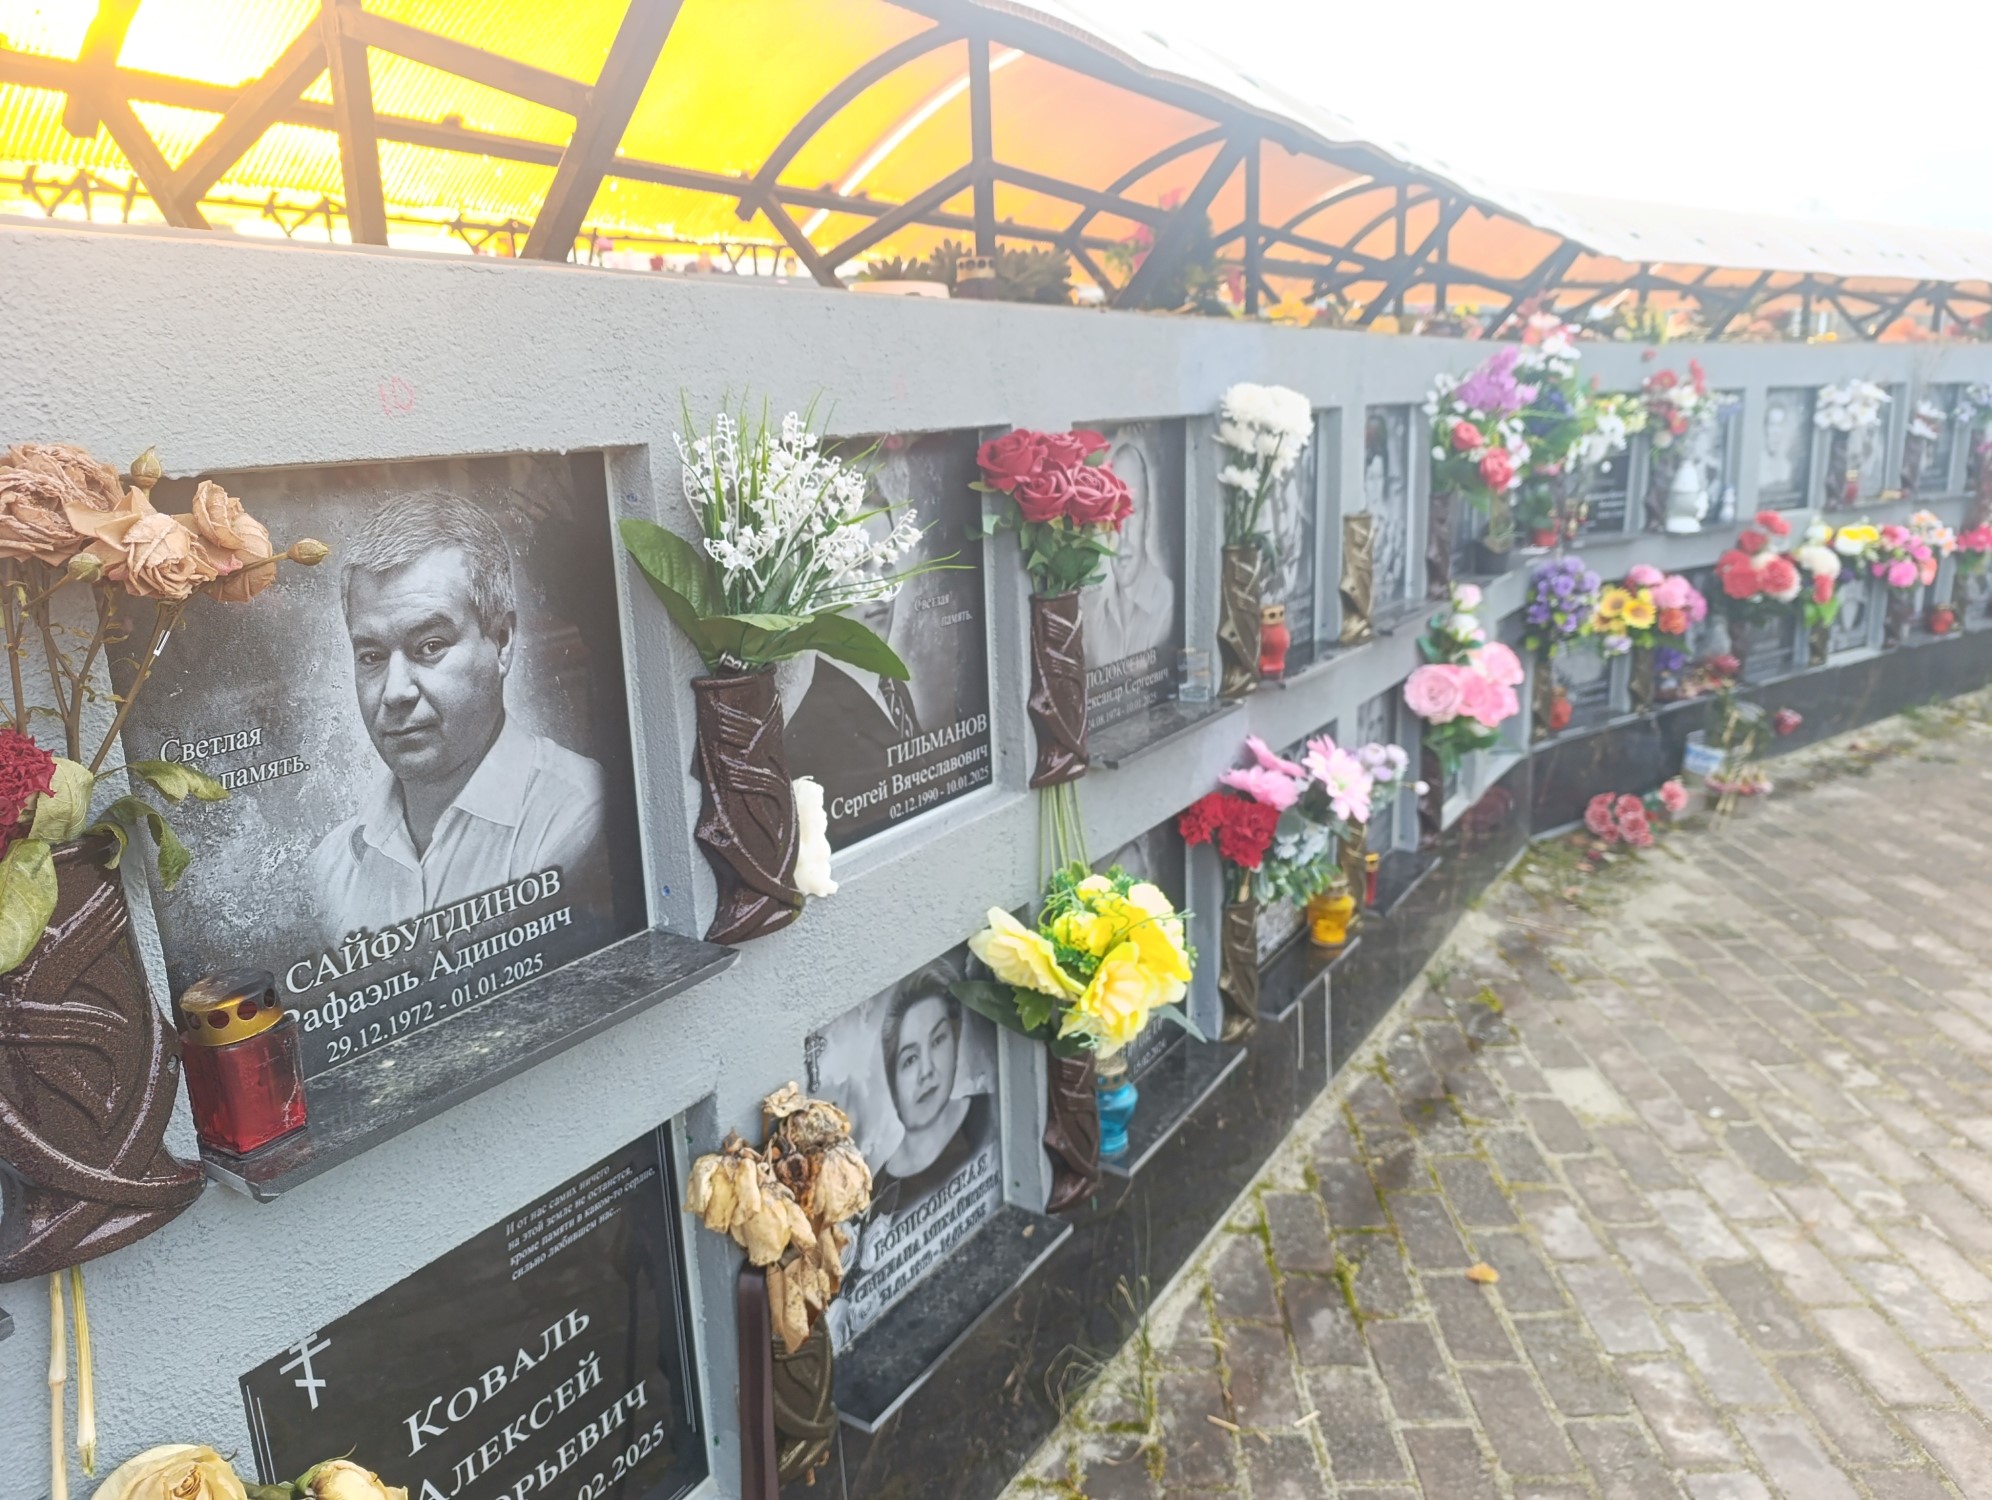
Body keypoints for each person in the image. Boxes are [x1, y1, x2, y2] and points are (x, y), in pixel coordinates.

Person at [309, 492, 607, 943]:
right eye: (371, 655)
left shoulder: (581, 816)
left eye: (430, 646)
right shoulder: (330, 870)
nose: (395, 692)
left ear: (502, 641)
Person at [1081, 436, 1176, 670]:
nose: (1122, 535)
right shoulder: (1095, 616)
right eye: (1113, 514)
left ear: (1148, 518)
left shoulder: (1168, 605)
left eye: (1132, 512)